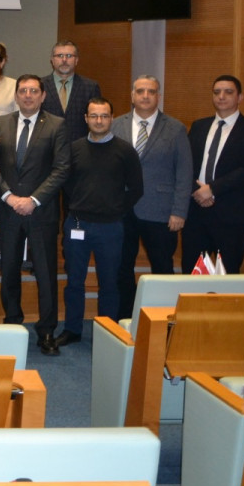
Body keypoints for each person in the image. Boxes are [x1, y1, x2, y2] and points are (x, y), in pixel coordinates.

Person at [0, 74, 70, 354]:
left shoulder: (58, 125)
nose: (28, 95)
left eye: (33, 91)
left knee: (46, 275)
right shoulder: (1, 124)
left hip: (41, 212)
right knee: (9, 270)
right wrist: (9, 197)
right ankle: (12, 322)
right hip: (9, 210)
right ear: (16, 95)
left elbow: (61, 168)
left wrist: (33, 200)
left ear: (43, 95)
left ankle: (46, 331)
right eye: (23, 90)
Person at [56, 98, 143, 346]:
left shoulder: (125, 151)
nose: (99, 120)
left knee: (109, 283)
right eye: (94, 116)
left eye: (104, 116)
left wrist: (115, 209)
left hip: (111, 227)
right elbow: (66, 183)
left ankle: (107, 331)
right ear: (86, 119)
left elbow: (136, 189)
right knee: (74, 281)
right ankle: (72, 329)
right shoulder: (74, 149)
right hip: (77, 225)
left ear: (112, 117)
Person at [112, 75, 192, 317]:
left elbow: (184, 172)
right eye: (140, 91)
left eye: (151, 91)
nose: (145, 96)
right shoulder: (116, 125)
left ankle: (163, 318)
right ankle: (125, 317)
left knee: (163, 268)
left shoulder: (175, 128)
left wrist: (179, 211)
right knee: (122, 267)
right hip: (122, 210)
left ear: (158, 96)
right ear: (132, 95)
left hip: (161, 211)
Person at [184, 75, 244, 274]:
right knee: (191, 274)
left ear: (240, 97)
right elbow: (185, 164)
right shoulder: (199, 126)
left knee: (227, 274)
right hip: (196, 213)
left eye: (228, 92)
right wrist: (199, 191)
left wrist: (211, 189)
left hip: (232, 214)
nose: (221, 97)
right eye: (217, 92)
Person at [41, 41, 102, 143]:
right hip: (47, 149)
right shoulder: (39, 86)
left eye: (69, 56)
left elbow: (95, 120)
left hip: (80, 149)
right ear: (52, 60)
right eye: (59, 56)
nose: (64, 60)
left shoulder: (90, 87)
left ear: (76, 60)